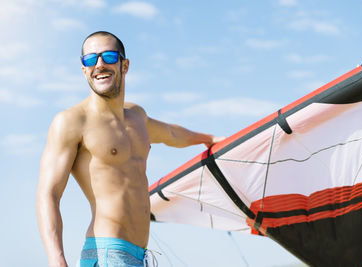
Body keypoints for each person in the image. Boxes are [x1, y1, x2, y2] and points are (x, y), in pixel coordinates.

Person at [36, 31, 223, 267]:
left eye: (109, 56)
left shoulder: (137, 117)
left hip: (139, 256)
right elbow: (48, 194)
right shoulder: (72, 122)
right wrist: (56, 259)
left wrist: (210, 139)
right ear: (84, 70)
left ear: (125, 65)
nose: (100, 64)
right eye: (90, 59)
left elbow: (172, 134)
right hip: (107, 254)